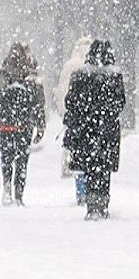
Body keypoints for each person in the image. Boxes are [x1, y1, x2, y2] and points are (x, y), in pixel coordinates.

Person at [63, 39, 126, 221]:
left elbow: (70, 102)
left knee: (90, 168)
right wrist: (105, 113)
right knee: (104, 169)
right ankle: (103, 203)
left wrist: (84, 113)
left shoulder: (79, 76)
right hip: (107, 130)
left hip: (86, 129)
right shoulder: (114, 77)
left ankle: (91, 205)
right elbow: (120, 103)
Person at [0, 42, 46, 206]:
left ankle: (6, 187)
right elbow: (39, 102)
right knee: (22, 160)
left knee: (6, 157)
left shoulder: (2, 74)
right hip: (25, 125)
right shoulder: (32, 76)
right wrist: (40, 125)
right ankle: (19, 194)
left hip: (5, 124)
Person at [57, 36, 95, 205]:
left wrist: (65, 113)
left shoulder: (70, 66)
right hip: (94, 118)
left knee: (77, 152)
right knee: (92, 153)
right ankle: (92, 186)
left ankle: (80, 190)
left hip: (74, 116)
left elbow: (61, 94)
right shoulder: (96, 66)